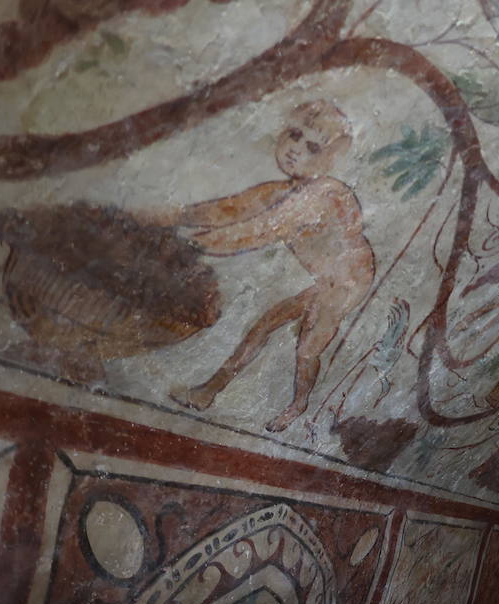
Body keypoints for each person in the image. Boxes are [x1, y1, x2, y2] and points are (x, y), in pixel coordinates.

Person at [158, 100, 377, 432]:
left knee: (306, 349)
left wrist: (191, 245)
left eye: (312, 146)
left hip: (345, 285)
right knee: (263, 326)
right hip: (327, 279)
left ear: (328, 157)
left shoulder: (324, 194)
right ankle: (207, 391)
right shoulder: (285, 190)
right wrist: (168, 218)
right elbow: (230, 209)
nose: (295, 150)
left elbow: (256, 231)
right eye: (293, 135)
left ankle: (298, 405)